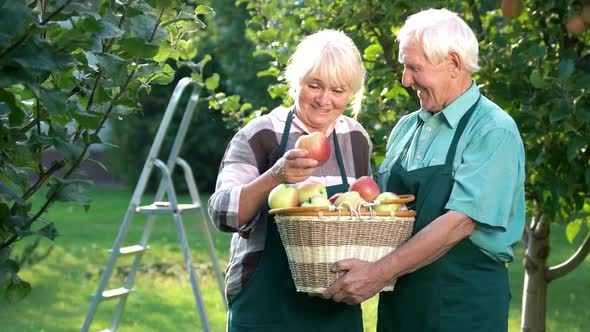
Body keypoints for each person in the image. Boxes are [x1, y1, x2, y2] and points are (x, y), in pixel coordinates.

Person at [322, 8, 525, 332]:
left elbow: (458, 224)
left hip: (463, 307)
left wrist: (377, 273)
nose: (405, 79)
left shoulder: (492, 130)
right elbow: (383, 208)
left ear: (454, 64)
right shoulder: (406, 128)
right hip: (401, 306)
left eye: (413, 67)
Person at [207, 29, 372, 331]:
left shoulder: (355, 138)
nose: (324, 100)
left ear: (351, 92)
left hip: (335, 305)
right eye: (314, 86)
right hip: (266, 308)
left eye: (338, 91)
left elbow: (362, 216)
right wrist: (275, 176)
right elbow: (222, 213)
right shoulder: (261, 134)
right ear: (296, 82)